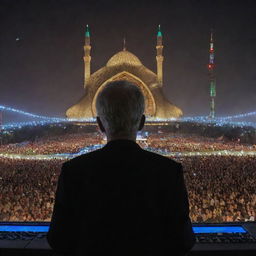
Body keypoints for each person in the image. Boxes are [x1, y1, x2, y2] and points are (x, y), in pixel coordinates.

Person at [47, 80, 195, 256]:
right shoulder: (168, 172)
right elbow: (183, 241)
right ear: (142, 122)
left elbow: (58, 239)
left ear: (100, 125)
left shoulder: (74, 171)